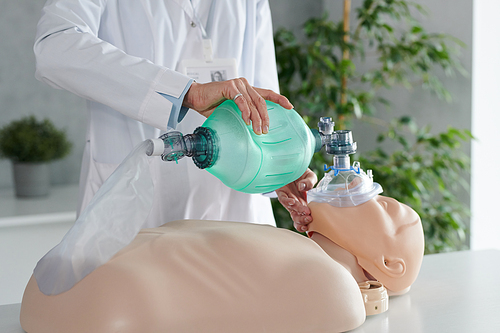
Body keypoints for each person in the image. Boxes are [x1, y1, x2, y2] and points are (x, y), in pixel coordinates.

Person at [34, 0, 315, 229]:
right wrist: (186, 93)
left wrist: (276, 165)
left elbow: (263, 98)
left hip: (235, 211)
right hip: (136, 202)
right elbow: (55, 47)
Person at [19, 195, 424, 333]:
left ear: (389, 264)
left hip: (91, 294)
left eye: (386, 205)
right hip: (103, 293)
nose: (367, 192)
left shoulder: (333, 288)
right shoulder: (302, 260)